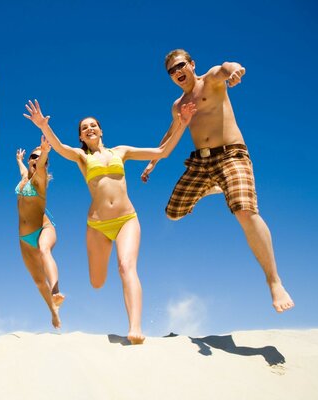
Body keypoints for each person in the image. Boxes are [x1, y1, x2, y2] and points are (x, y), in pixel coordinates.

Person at [24, 99, 196, 344]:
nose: (90, 129)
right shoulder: (81, 156)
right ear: (81, 136)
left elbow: (162, 152)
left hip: (127, 219)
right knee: (97, 281)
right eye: (85, 128)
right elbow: (60, 147)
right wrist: (43, 126)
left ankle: (135, 327)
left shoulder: (120, 152)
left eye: (93, 125)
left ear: (101, 130)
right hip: (97, 225)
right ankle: (95, 283)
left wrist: (182, 124)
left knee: (126, 267)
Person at [141, 49, 294, 313]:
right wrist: (153, 161)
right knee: (173, 213)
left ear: (191, 64)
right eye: (171, 71)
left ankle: (274, 281)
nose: (177, 72)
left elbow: (225, 67)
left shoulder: (210, 80)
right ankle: (213, 186)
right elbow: (170, 133)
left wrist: (235, 70)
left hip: (230, 156)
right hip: (201, 163)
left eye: (180, 66)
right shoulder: (178, 105)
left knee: (244, 211)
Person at [15, 136, 64, 329]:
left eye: (39, 158)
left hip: (44, 228)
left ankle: (56, 290)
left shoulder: (40, 180)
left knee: (44, 249)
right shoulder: (24, 179)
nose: (36, 159)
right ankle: (53, 312)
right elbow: (23, 172)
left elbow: (41, 164)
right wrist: (19, 160)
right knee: (37, 281)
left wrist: (44, 152)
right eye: (33, 157)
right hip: (24, 239)